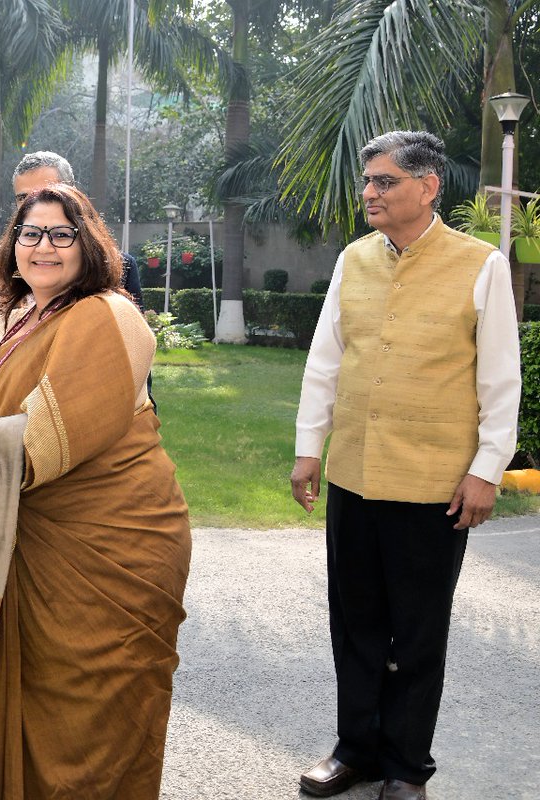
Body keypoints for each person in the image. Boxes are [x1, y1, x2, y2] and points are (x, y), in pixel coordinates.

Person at [0, 183, 192, 799]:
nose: (45, 247)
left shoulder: (109, 315)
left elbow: (41, 444)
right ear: (13, 245)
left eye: (63, 234)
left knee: (85, 722)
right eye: (31, 234)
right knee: (2, 696)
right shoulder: (14, 316)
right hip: (21, 537)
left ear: (90, 245)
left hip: (108, 547)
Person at [291, 131, 520, 800]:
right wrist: (311, 447)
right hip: (354, 473)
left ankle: (404, 768)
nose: (369, 193)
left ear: (428, 187)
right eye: (368, 182)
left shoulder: (480, 265)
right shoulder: (353, 260)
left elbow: (501, 380)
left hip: (433, 484)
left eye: (384, 181)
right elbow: (325, 360)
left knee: (417, 631)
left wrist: (487, 468)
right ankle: (354, 751)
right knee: (355, 621)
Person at [0, 150, 146, 379]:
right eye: (23, 198)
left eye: (48, 192)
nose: (36, 203)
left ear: (74, 197)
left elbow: (133, 384)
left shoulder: (116, 286)